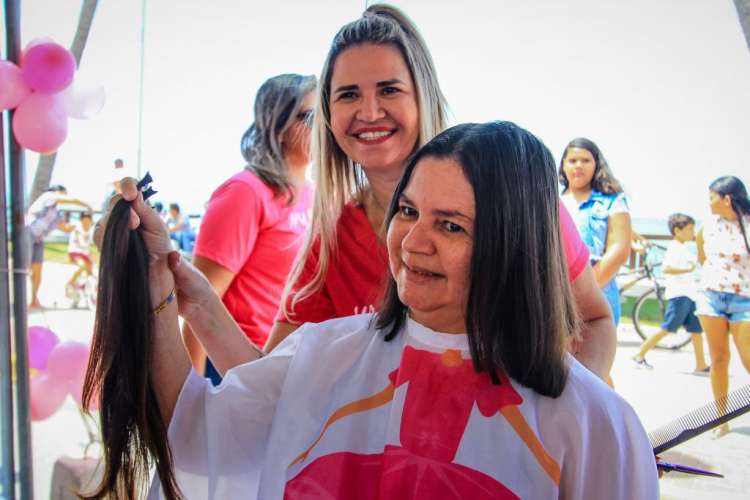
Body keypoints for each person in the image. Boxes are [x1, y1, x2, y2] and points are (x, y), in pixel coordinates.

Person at [89, 121, 658, 500]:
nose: (412, 242)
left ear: (517, 241)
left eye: (451, 225)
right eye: (408, 211)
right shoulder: (321, 352)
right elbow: (194, 426)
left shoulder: (595, 423)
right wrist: (159, 291)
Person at [264, 4, 616, 381]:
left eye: (389, 89)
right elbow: (267, 380)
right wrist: (201, 305)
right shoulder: (332, 239)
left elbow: (594, 321)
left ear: (422, 96)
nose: (369, 112)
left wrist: (568, 412)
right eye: (348, 94)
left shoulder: (507, 193)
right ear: (329, 115)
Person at [182, 74, 316, 384]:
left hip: (287, 367)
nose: (324, 125)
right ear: (278, 126)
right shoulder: (245, 192)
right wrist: (192, 397)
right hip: (234, 368)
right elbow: (199, 303)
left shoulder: (314, 194)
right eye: (309, 116)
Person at [695, 176, 750, 437]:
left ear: (727, 199)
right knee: (718, 359)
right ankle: (721, 419)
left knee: (748, 358)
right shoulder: (707, 226)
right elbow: (703, 257)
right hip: (712, 297)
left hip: (745, 299)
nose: (708, 202)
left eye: (711, 197)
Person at [559, 137, 632, 325]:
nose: (578, 166)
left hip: (598, 292)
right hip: (557, 296)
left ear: (596, 164)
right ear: (563, 165)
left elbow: (620, 250)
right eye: (572, 160)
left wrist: (585, 290)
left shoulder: (613, 201)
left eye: (585, 160)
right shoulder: (552, 201)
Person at [632, 213, 709, 373]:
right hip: (679, 295)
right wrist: (688, 269)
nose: (692, 233)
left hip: (689, 295)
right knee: (668, 328)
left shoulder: (683, 247)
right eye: (689, 229)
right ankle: (640, 353)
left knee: (696, 330)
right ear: (677, 230)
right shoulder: (675, 247)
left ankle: (701, 364)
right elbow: (667, 268)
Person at [25, 185, 92, 309]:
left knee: (37, 270)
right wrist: (86, 204)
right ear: (58, 192)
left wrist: (80, 225)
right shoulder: (47, 196)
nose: (64, 196)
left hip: (39, 239)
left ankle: (34, 300)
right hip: (28, 232)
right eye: (63, 193)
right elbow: (68, 199)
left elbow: (65, 228)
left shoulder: (56, 213)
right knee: (25, 268)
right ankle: (20, 300)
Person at [65, 212, 95, 302]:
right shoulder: (77, 228)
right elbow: (82, 242)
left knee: (91, 274)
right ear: (81, 221)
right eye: (84, 221)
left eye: (88, 221)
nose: (86, 223)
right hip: (75, 252)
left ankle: (84, 289)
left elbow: (91, 243)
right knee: (82, 266)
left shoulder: (91, 229)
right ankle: (70, 282)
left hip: (85, 254)